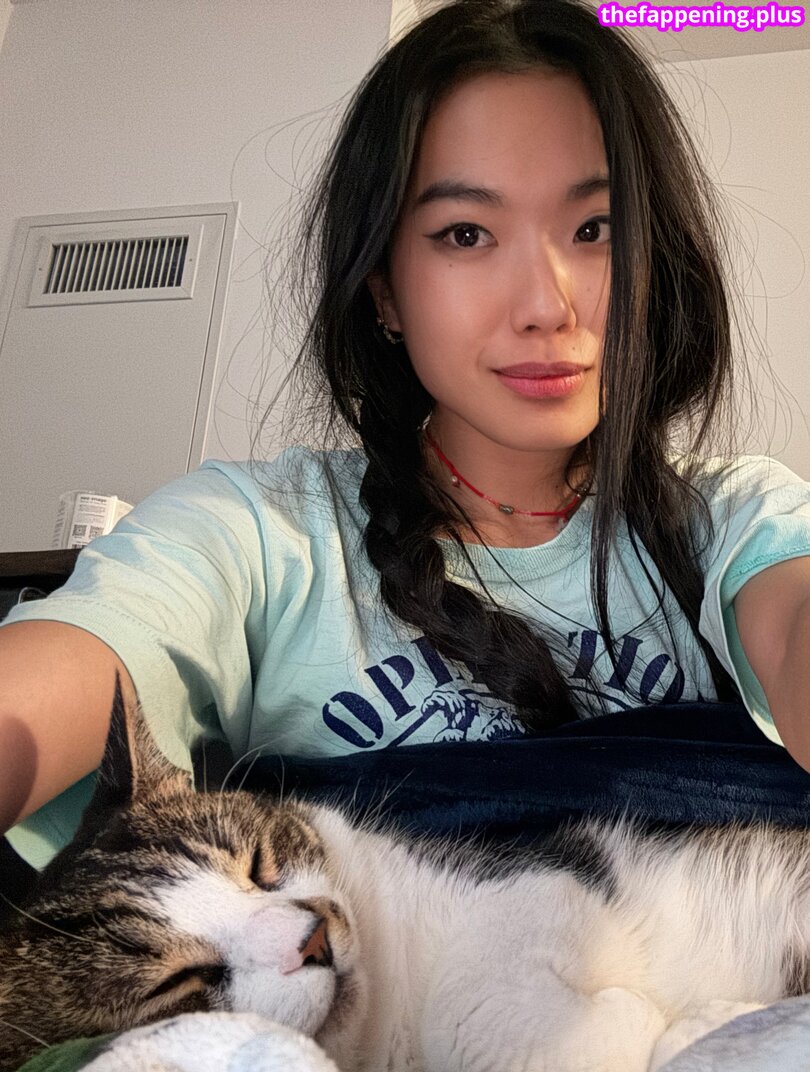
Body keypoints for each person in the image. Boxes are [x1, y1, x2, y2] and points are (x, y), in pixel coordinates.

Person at [2, 0, 809, 869]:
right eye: (466, 233)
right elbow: (62, 672)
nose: (548, 307)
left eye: (594, 229)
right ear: (384, 289)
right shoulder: (262, 537)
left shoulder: (734, 521)